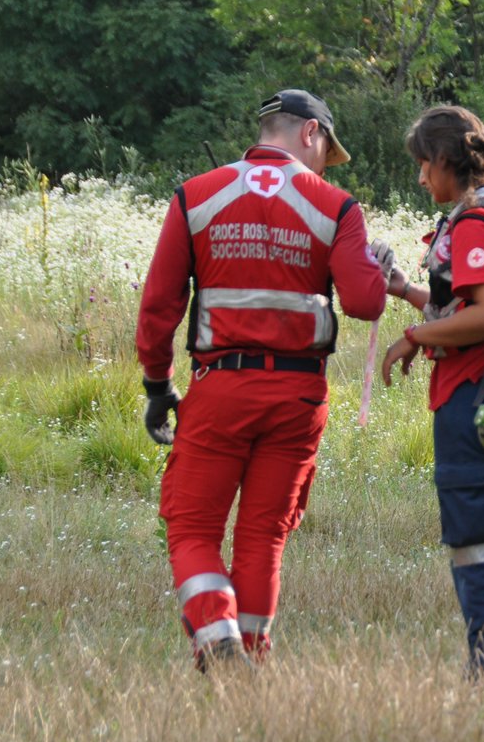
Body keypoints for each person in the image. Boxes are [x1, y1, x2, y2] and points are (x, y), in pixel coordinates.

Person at [136, 89, 399, 673]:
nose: (324, 164)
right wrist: (378, 274)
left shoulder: (195, 197)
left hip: (219, 391)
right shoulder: (336, 206)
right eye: (326, 151)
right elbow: (361, 303)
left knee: (192, 527)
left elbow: (159, 305)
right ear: (310, 133)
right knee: (263, 538)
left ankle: (215, 634)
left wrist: (159, 386)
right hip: (298, 398)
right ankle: (247, 661)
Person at [379, 105, 484, 679]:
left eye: (423, 164)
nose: (420, 178)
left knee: (481, 540)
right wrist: (407, 293)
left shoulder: (474, 222)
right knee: (480, 537)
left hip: (474, 395)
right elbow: (463, 304)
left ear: (447, 160)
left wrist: (413, 336)